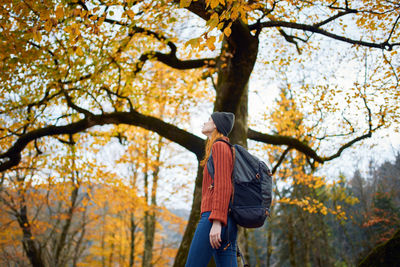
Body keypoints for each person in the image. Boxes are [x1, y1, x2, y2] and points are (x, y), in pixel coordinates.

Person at [185, 111, 238, 267]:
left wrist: (216, 221)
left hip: (214, 217)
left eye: (208, 120)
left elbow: (223, 185)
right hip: (225, 219)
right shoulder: (220, 147)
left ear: (216, 125)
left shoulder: (220, 146)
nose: (204, 123)